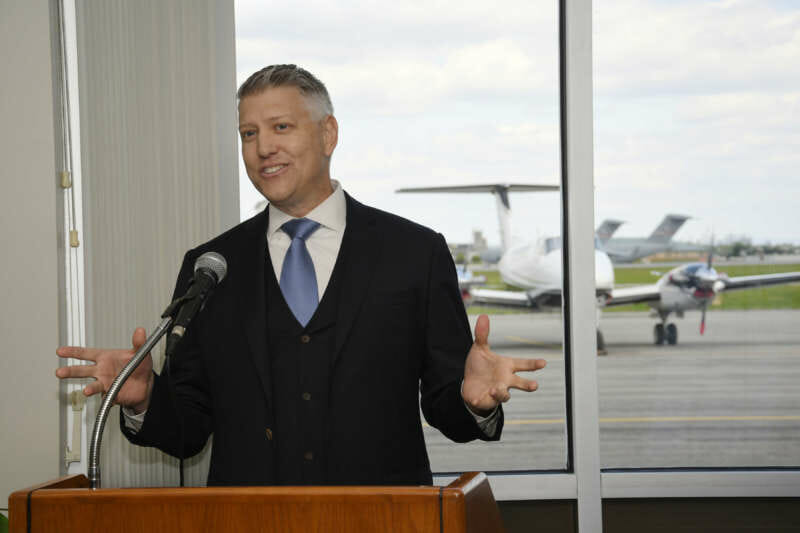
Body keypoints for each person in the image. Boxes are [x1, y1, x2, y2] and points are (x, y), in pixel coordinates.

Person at [56, 65, 546, 486]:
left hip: (384, 518)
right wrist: (146, 398)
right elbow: (188, 430)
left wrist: (473, 402)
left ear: (328, 134)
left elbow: (448, 411)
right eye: (249, 134)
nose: (263, 147)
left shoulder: (415, 253)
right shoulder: (210, 266)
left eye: (281, 127)